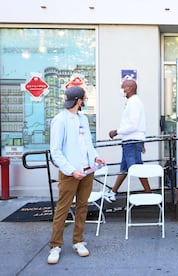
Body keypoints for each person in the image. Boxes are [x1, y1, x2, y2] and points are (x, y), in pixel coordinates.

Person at [48, 86, 105, 264]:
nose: (84, 102)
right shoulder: (60, 120)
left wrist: (95, 157)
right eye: (84, 99)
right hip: (70, 173)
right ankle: (55, 246)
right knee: (63, 209)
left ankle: (78, 241)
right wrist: (71, 170)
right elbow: (55, 151)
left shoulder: (83, 119)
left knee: (82, 207)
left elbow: (88, 143)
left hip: (87, 170)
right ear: (79, 101)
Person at [105, 79, 151, 202]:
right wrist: (142, 140)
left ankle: (149, 194)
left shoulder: (134, 103)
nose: (122, 89)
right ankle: (112, 192)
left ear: (130, 88)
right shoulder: (134, 102)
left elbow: (133, 125)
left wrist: (116, 131)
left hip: (131, 141)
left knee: (136, 168)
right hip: (131, 140)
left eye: (123, 87)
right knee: (124, 168)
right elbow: (139, 124)